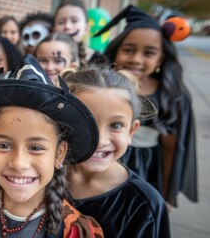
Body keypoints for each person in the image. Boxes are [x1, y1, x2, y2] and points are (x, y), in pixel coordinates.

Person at [0, 55, 104, 237]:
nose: (18, 163)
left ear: (59, 154)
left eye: (36, 148)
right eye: (4, 145)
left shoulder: (74, 231)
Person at [97, 5, 197, 207]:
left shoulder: (172, 95)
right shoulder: (100, 87)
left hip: (146, 168)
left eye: (149, 53)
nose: (136, 59)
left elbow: (171, 147)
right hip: (101, 163)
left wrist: (167, 196)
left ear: (160, 58)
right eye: (128, 50)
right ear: (116, 51)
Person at [61, 67, 170, 237]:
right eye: (83, 123)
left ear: (131, 131)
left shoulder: (144, 204)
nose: (100, 140)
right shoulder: (41, 177)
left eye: (116, 125)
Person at [53, 0, 106, 66]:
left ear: (86, 28)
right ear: (53, 29)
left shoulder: (98, 60)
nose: (67, 26)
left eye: (74, 21)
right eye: (61, 22)